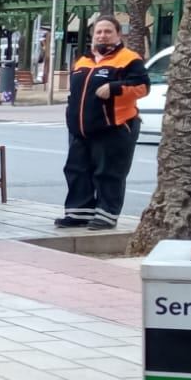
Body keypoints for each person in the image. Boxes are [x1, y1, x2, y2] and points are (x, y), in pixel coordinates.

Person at [57, 14, 148, 230]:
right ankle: (79, 213)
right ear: (92, 35)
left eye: (108, 31)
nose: (103, 35)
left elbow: (142, 87)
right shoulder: (83, 60)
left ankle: (106, 216)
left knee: (108, 173)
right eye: (99, 32)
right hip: (81, 130)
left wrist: (115, 88)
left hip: (114, 127)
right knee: (77, 170)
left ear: (118, 34)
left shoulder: (129, 59)